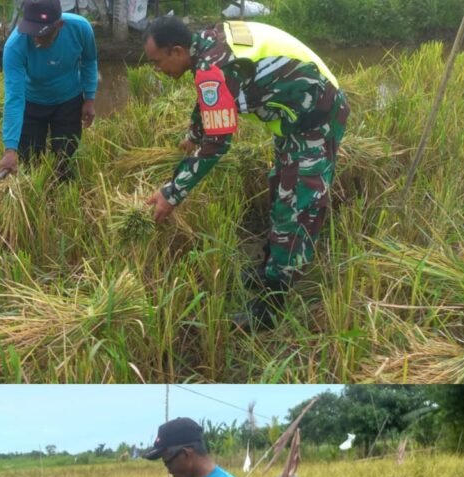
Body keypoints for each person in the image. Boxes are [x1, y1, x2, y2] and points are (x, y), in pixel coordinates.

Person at [143, 17, 350, 330]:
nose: (157, 70)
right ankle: (270, 267)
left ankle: (271, 306)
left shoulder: (214, 67)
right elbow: (210, 99)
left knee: (295, 206)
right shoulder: (207, 47)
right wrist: (194, 133)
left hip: (316, 117)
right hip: (297, 114)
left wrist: (172, 193)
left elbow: (218, 143)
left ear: (177, 51)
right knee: (280, 186)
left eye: (157, 63)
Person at [0, 0, 98, 180]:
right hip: (32, 103)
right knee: (31, 161)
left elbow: (89, 60)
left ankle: (63, 197)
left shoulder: (80, 28)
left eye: (43, 34)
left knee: (65, 159)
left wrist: (89, 98)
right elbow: (14, 98)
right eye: (32, 31)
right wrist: (10, 148)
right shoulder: (14, 46)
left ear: (59, 25)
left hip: (69, 100)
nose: (36, 38)